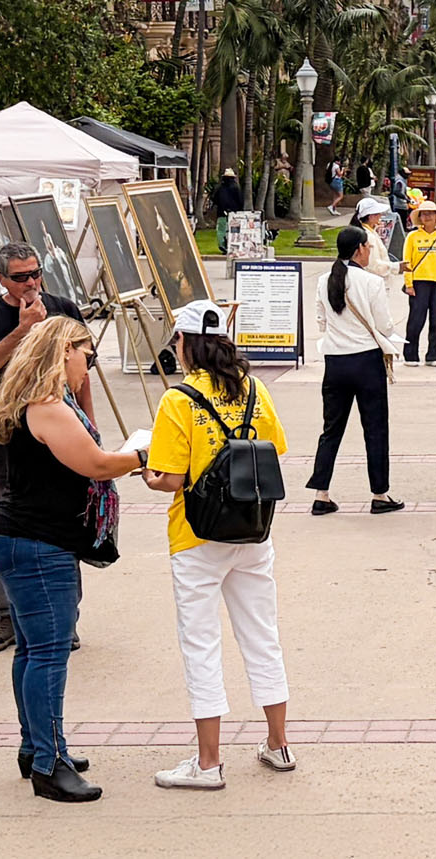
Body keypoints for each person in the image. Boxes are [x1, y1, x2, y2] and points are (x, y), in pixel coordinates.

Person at [0, 316, 146, 802]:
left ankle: (37, 747)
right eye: (86, 355)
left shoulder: (37, 401)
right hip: (36, 541)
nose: (87, 366)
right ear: (63, 351)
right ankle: (49, 764)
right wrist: (144, 454)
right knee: (49, 652)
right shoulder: (49, 406)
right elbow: (96, 464)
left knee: (32, 649)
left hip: (23, 535)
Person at [144, 301, 294, 790]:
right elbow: (275, 448)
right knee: (262, 634)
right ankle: (278, 743)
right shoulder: (254, 389)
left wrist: (147, 472)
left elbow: (170, 479)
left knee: (201, 643)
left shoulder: (178, 400)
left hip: (197, 535)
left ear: (185, 343)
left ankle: (208, 763)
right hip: (251, 530)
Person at [0, 241, 90, 654]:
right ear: (1, 278)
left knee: (62, 530)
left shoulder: (63, 309)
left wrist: (90, 430)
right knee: (9, 531)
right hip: (5, 445)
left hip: (60, 441)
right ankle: (7, 617)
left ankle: (64, 617)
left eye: (36, 273)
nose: (31, 283)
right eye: (20, 277)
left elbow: (84, 375)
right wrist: (21, 330)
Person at [310, 227, 405, 515]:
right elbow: (384, 325)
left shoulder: (325, 280)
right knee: (375, 429)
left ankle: (321, 494)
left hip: (335, 362)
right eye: (368, 247)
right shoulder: (371, 282)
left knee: (331, 429)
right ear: (359, 249)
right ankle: (379, 493)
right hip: (366, 362)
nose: (369, 251)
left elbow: (321, 321)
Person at [402, 200, 436, 367]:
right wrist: (408, 284)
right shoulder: (413, 237)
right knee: (416, 320)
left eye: (430, 213)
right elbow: (407, 261)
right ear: (419, 217)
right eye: (424, 214)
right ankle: (410, 355)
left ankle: (434, 355)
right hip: (418, 282)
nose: (427, 216)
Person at [349, 197, 403, 280]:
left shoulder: (369, 232)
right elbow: (374, 265)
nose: (380, 216)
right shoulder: (368, 236)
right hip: (373, 280)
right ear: (371, 217)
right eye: (378, 214)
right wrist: (397, 266)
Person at [213, 169, 244, 250]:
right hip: (234, 213)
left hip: (221, 212)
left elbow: (215, 199)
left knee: (221, 230)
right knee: (234, 230)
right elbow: (240, 201)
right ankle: (233, 245)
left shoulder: (220, 188)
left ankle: (222, 244)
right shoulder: (236, 188)